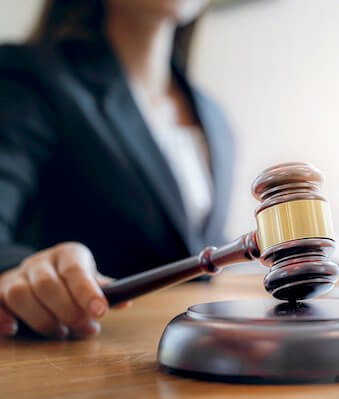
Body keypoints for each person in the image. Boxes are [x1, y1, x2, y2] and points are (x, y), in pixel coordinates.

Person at [0, 0, 234, 339]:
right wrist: (19, 271)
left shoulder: (213, 116)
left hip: (196, 363)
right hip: (80, 361)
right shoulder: (30, 76)